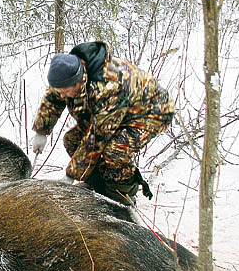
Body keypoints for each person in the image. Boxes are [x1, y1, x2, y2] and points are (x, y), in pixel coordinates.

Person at [31, 41, 174, 206]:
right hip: (115, 110)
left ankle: (122, 195)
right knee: (72, 139)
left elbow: (97, 138)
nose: (63, 96)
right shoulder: (67, 74)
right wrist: (41, 131)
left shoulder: (110, 85)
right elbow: (52, 98)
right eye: (60, 91)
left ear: (79, 81)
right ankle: (98, 185)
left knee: (115, 151)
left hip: (150, 112)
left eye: (66, 92)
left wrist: (71, 176)